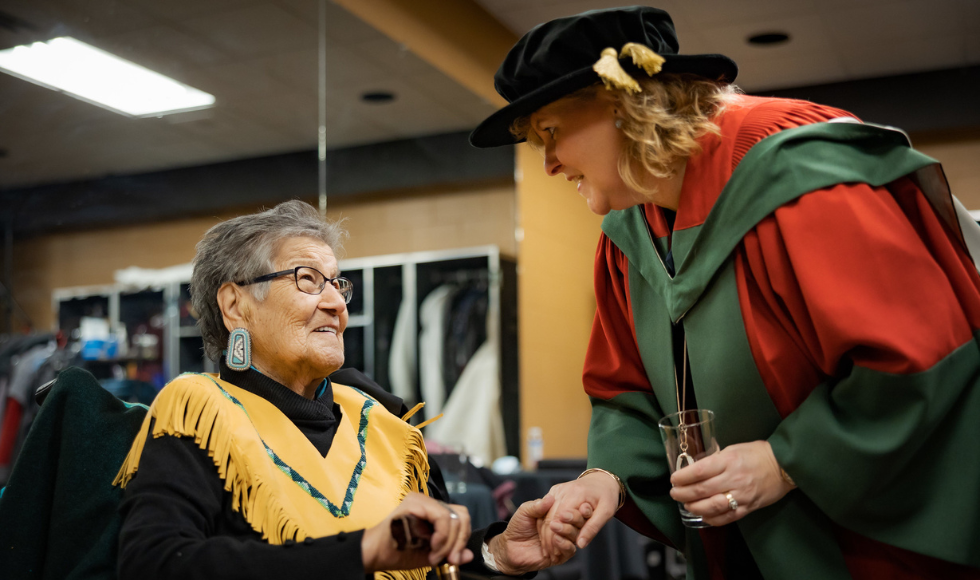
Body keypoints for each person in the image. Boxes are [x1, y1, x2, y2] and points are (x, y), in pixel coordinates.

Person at [469, 6, 980, 579]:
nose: (548, 163)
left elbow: (922, 353)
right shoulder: (628, 235)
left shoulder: (805, 176)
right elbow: (626, 394)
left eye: (551, 132)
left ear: (624, 104)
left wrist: (786, 461)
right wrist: (605, 479)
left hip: (871, 548)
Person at [114, 200, 586, 580]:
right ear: (235, 305)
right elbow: (152, 564)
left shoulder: (386, 424)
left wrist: (495, 551)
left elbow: (434, 560)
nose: (337, 303)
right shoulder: (199, 412)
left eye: (337, 284)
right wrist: (359, 553)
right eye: (307, 280)